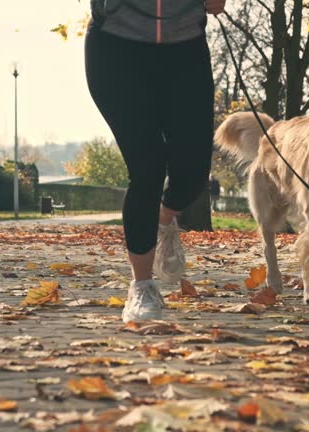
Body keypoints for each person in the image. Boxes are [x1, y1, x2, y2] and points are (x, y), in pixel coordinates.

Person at [85, 0, 225, 323]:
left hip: (184, 49)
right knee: (147, 166)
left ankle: (163, 219)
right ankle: (142, 286)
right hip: (116, 49)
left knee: (192, 175)